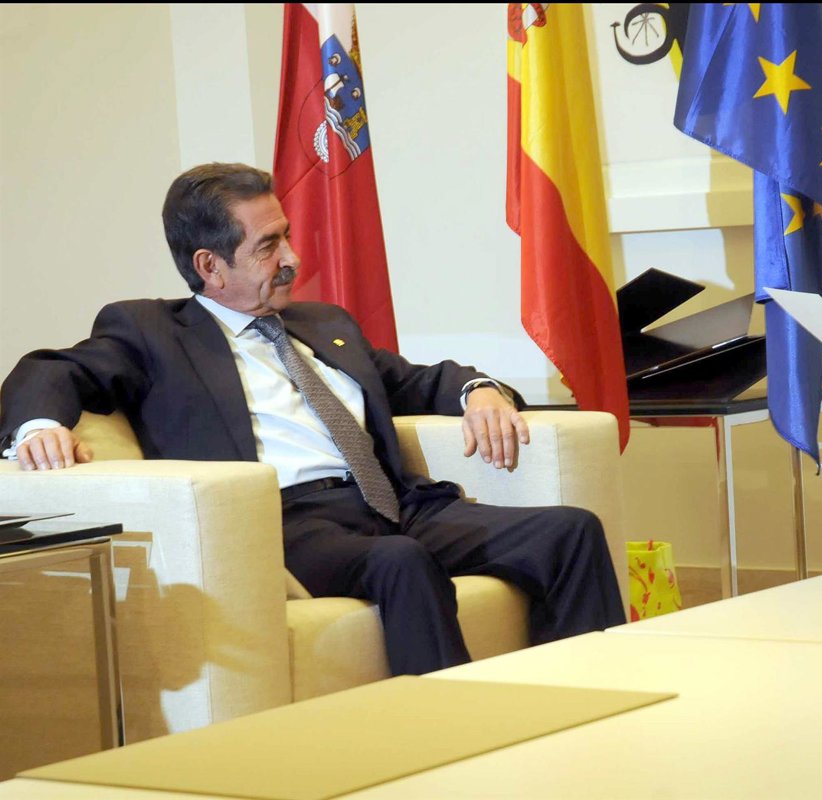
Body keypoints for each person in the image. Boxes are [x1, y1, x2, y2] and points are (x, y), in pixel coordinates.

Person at [0, 162, 625, 674]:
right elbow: (49, 369)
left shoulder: (322, 324)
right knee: (400, 561)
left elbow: (415, 380)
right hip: (288, 522)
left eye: (287, 236)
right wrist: (39, 427)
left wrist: (480, 391)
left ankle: (593, 705)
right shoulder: (153, 331)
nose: (293, 257)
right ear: (209, 266)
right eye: (268, 246)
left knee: (568, 531)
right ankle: (458, 739)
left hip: (392, 504)